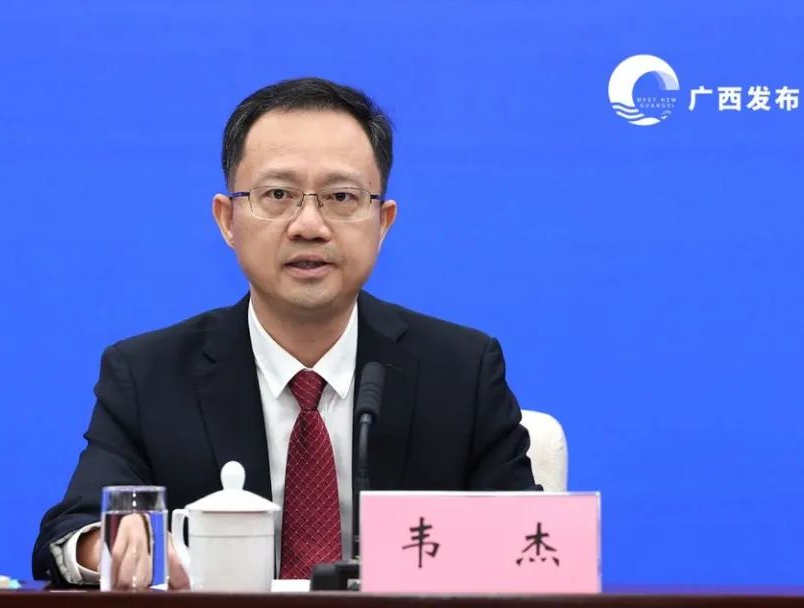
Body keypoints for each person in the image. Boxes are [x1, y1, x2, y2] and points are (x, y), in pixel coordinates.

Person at [32, 77, 539, 589]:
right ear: (227, 220)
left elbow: (532, 548)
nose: (309, 225)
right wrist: (112, 545)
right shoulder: (149, 375)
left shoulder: (460, 372)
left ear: (383, 222)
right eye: (278, 195)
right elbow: (71, 531)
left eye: (341, 197)